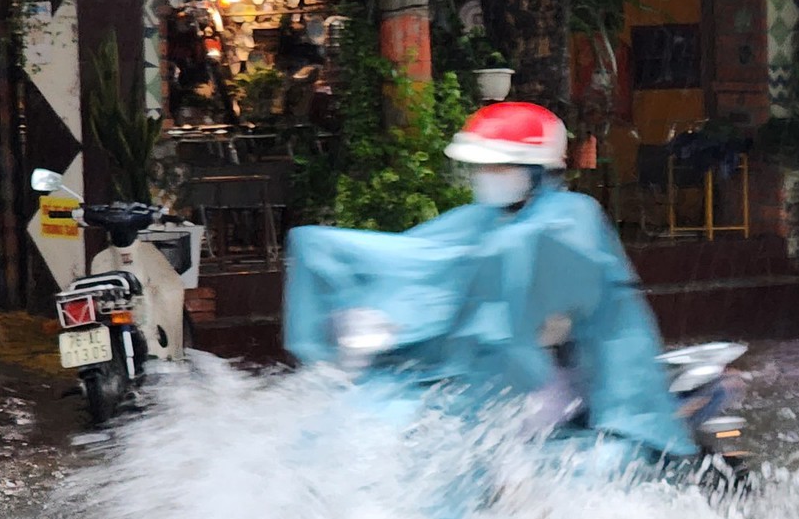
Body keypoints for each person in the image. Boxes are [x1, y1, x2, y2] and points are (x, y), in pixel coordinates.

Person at [282, 101, 695, 459]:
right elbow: (415, 259)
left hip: (568, 376)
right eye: (482, 166)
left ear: (534, 171)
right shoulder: (476, 220)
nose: (487, 174)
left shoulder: (571, 215)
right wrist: (375, 304)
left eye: (499, 166)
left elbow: (529, 267)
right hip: (491, 370)